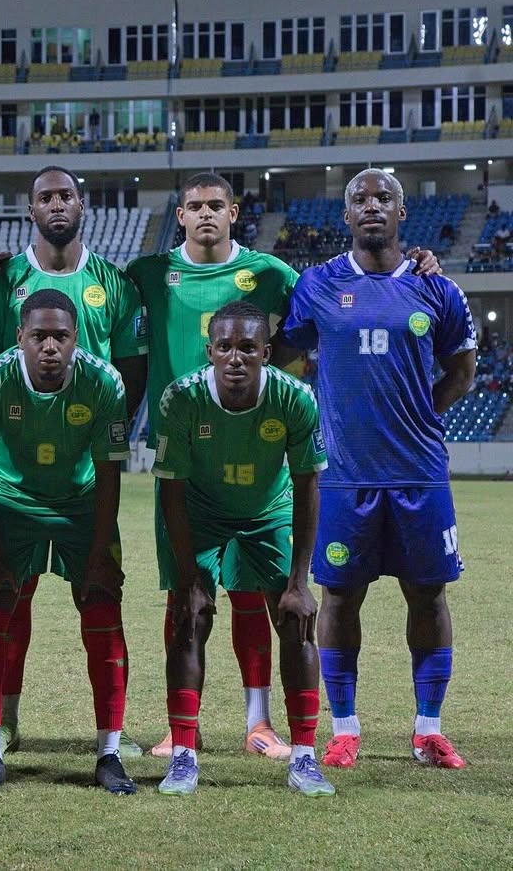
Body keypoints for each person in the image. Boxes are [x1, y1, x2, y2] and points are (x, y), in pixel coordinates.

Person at [125, 170, 440, 759]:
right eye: (195, 206)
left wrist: (418, 261)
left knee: (254, 595)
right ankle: (181, 728)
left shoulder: (271, 273)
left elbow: (326, 308)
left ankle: (259, 722)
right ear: (180, 215)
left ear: (234, 212)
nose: (205, 214)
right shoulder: (146, 272)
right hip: (187, 457)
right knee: (185, 597)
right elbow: (85, 292)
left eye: (216, 205)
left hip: (258, 454)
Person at [282, 168, 476, 770]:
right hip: (344, 476)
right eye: (360, 199)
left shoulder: (436, 288)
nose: (372, 205)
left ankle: (428, 730)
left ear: (401, 212)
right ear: (346, 215)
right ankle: (344, 729)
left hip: (419, 472)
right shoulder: (317, 284)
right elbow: (282, 353)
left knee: (429, 595)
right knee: (339, 598)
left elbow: (462, 372)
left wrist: (419, 414)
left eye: (384, 197)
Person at [0, 164, 147, 758]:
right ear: (31, 209)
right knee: (8, 599)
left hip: (84, 472)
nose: (57, 205)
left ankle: (110, 738)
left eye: (66, 195)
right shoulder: (2, 281)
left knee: (99, 599)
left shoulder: (115, 283)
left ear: (82, 204)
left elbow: (132, 369)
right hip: (14, 473)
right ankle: (4, 720)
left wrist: (93, 429)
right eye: (45, 197)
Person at [152, 301, 335, 797]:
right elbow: (171, 491)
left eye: (248, 348)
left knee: (296, 619)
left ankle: (304, 757)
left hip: (267, 510)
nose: (236, 357)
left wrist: (299, 582)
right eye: (226, 347)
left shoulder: (295, 398)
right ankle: (184, 755)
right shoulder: (181, 399)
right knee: (190, 618)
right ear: (210, 351)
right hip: (200, 511)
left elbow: (307, 487)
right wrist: (188, 578)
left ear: (266, 354)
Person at [0, 288, 136, 795]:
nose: (50, 347)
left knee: (103, 612)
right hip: (10, 500)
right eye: (39, 336)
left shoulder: (104, 382)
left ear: (76, 337)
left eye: (61, 336)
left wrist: (99, 552)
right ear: (20, 337)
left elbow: (109, 473)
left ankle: (109, 754)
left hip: (81, 501)